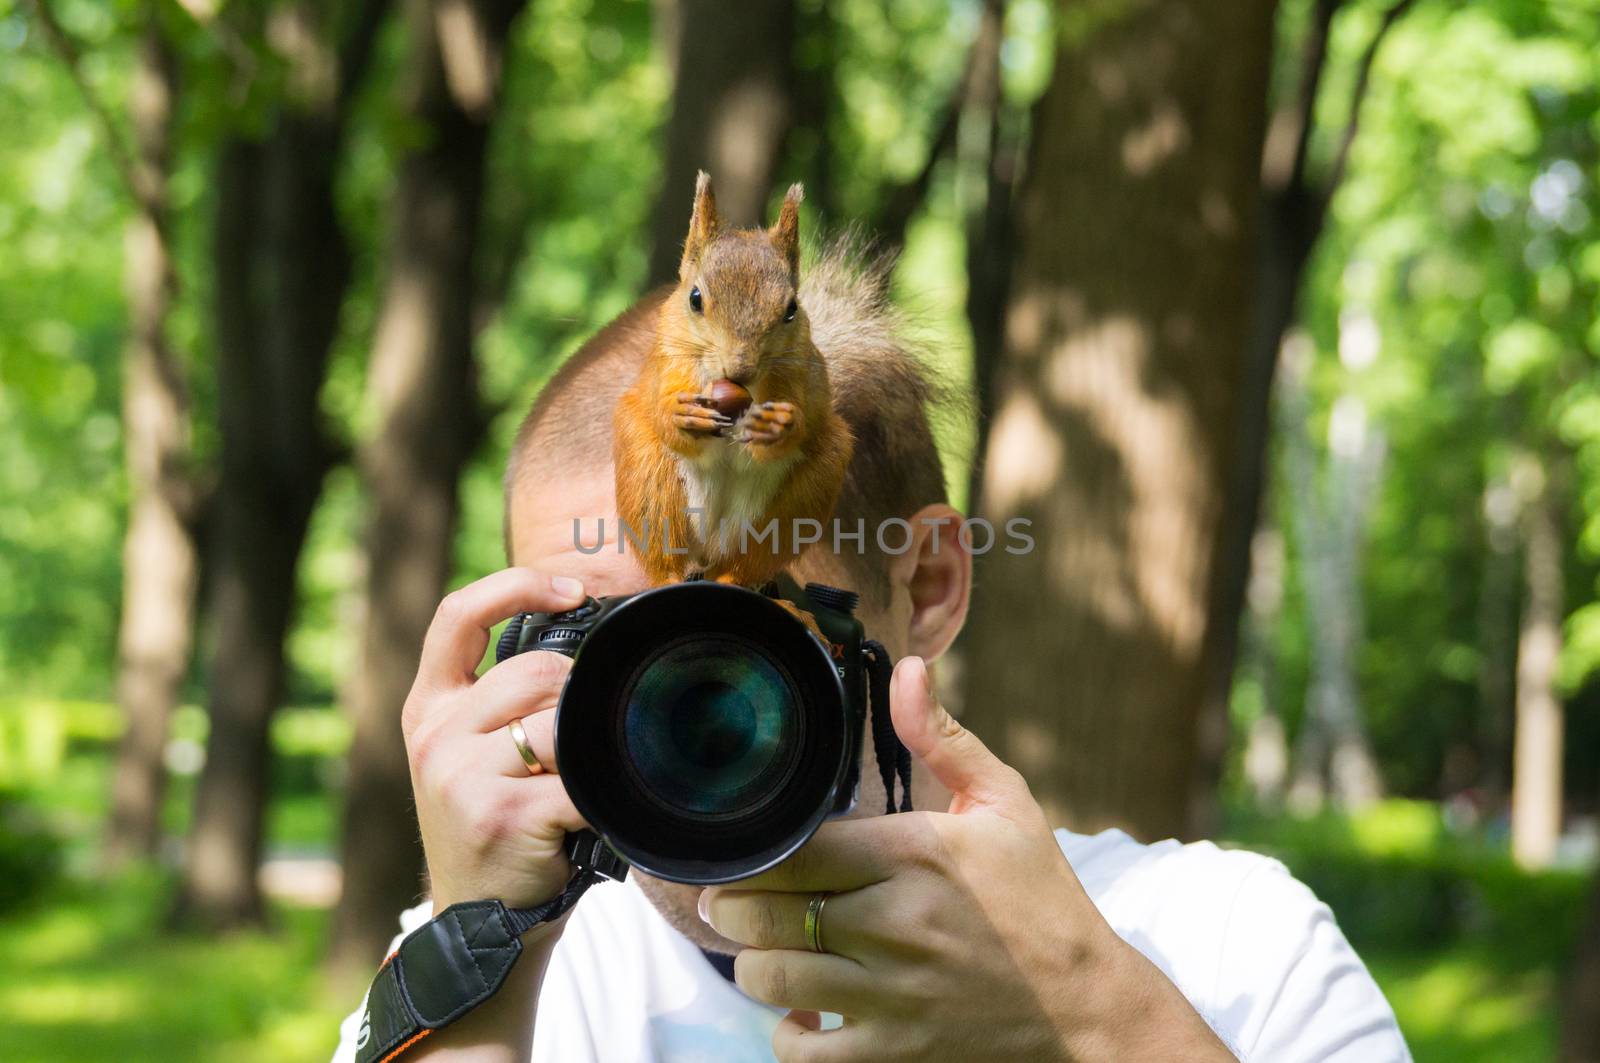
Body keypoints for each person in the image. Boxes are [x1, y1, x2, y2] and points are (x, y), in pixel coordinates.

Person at [333, 250, 1409, 1062]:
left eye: (732, 624)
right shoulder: (523, 982)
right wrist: (472, 946)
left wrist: (1087, 1016)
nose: (661, 698)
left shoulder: (1219, 945)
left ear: (927, 585)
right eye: (601, 636)